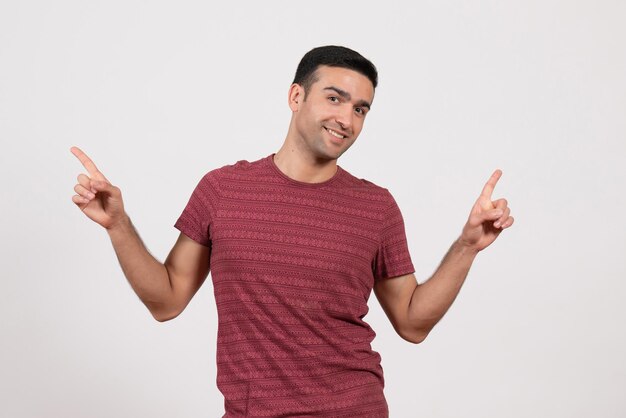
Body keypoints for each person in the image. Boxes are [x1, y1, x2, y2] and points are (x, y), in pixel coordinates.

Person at [70, 45, 513, 417]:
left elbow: (413, 323)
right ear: (295, 95)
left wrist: (467, 247)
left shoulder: (376, 207)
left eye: (361, 109)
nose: (348, 119)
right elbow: (166, 300)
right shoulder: (223, 189)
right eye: (335, 98)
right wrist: (118, 225)